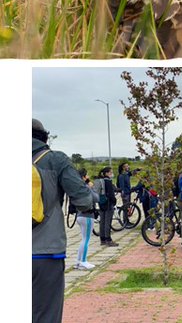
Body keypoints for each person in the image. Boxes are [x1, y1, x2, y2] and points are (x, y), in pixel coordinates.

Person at [33, 119, 93, 323]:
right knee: (45, 315)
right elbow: (83, 199)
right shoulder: (54, 160)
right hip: (45, 252)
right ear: (44, 137)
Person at [73, 173, 98, 271]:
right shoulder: (86, 188)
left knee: (83, 239)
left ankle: (78, 261)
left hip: (80, 215)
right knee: (86, 240)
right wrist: (91, 188)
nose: (88, 177)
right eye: (87, 175)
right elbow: (96, 198)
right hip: (87, 215)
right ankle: (83, 261)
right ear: (83, 177)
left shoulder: (77, 187)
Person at [96, 166, 118, 247]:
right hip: (108, 204)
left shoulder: (100, 181)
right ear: (106, 173)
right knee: (107, 222)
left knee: (102, 221)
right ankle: (108, 239)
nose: (112, 174)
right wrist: (114, 201)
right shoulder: (108, 181)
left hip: (101, 203)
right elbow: (111, 194)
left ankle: (102, 239)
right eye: (111, 172)